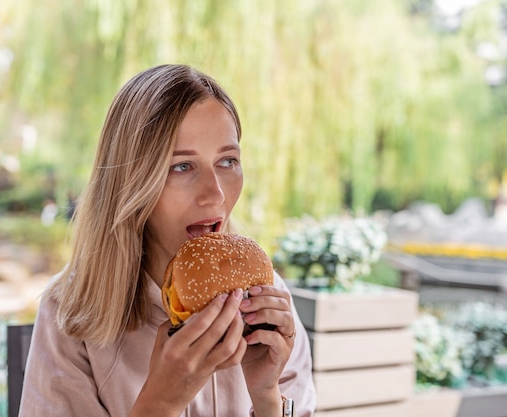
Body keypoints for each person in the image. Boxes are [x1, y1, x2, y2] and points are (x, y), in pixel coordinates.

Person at [19, 64, 316, 417]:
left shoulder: (267, 298)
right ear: (132, 181)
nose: (215, 194)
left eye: (227, 161)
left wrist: (267, 398)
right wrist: (161, 402)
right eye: (181, 166)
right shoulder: (68, 312)